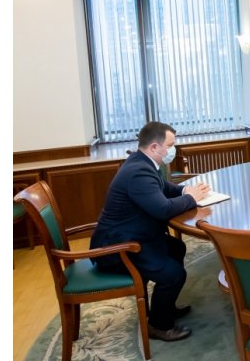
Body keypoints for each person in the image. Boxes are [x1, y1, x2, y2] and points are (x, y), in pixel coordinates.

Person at [90, 121, 211, 342]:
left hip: (135, 235)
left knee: (176, 248)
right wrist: (190, 198)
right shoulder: (138, 172)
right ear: (155, 147)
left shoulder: (143, 162)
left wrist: (186, 190)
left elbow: (163, 187)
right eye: (171, 145)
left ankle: (165, 307)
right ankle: (159, 326)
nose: (174, 149)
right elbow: (162, 209)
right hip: (118, 248)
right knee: (174, 275)